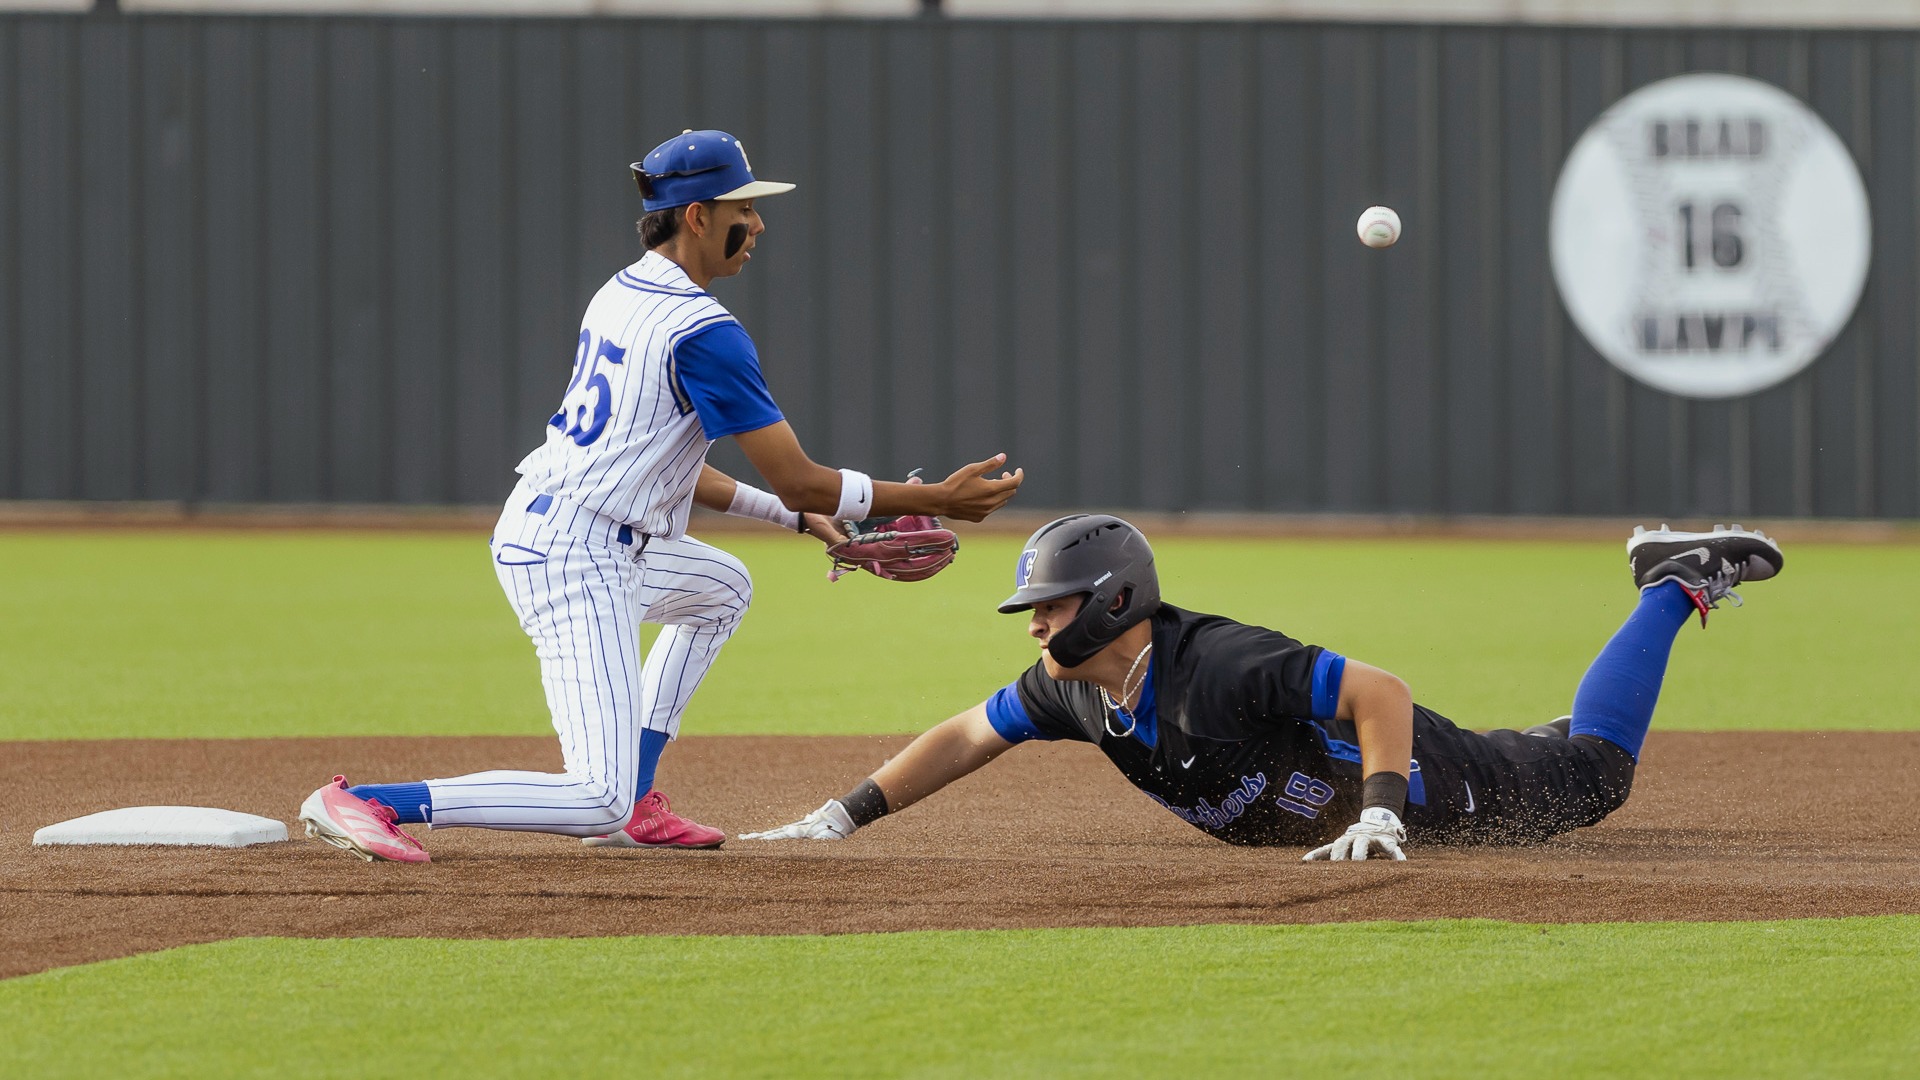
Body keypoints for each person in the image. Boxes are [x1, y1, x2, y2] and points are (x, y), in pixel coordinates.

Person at [299, 129, 1023, 863]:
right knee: (595, 798)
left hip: (577, 529)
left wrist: (803, 520)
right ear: (698, 216)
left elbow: (675, 467)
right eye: (744, 208)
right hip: (574, 556)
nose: (758, 225)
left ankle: (639, 799)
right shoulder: (704, 332)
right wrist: (934, 498)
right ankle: (370, 801)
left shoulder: (623, 290)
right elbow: (799, 478)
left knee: (722, 588)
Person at [741, 518, 1784, 859]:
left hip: (1425, 779)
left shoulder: (1222, 666)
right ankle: (1555, 719)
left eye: (1052, 605)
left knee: (1594, 777)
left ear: (1114, 601)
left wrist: (1380, 811)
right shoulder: (1071, 692)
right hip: (1356, 802)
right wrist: (841, 815)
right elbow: (967, 735)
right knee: (1554, 751)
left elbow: (1381, 690)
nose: (1038, 624)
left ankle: (1672, 581)